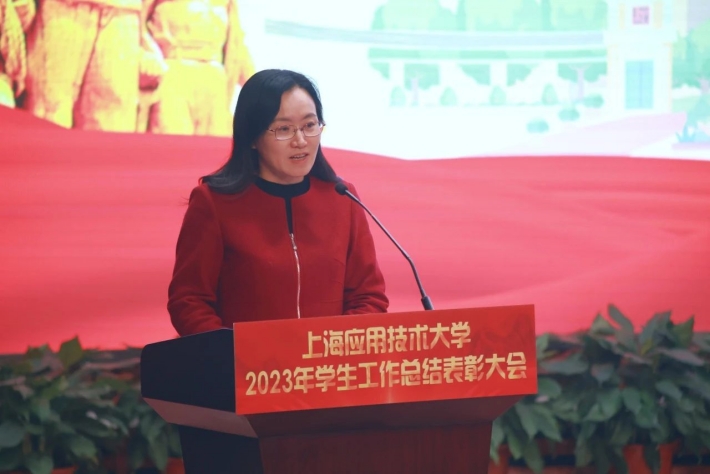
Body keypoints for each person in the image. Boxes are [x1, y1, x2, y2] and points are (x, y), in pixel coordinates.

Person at [167, 68, 389, 337]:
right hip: (245, 362)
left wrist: (331, 348)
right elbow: (189, 302)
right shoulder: (214, 203)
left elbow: (369, 297)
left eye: (310, 125)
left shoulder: (342, 198)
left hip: (326, 360)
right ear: (252, 137)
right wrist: (233, 352)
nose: (300, 141)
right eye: (284, 129)